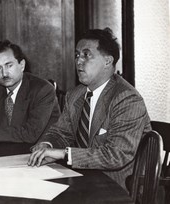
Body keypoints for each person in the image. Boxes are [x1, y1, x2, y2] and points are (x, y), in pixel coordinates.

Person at [27, 28, 151, 191]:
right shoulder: (75, 94)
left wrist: (64, 154)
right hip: (79, 180)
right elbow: (61, 132)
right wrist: (47, 145)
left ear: (108, 61)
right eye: (77, 55)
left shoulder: (127, 99)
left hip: (116, 188)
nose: (78, 61)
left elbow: (116, 155)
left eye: (86, 55)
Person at [0, 40, 61, 143]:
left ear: (22, 65)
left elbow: (30, 133)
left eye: (9, 65)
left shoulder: (43, 90)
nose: (4, 73)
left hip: (40, 151)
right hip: (10, 148)